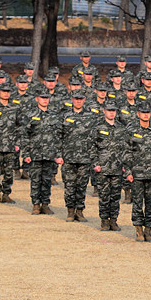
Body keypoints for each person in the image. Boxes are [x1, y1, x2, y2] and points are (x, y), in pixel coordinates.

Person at [21, 86, 63, 215]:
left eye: (47, 98)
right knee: (35, 181)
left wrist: (58, 154)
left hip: (50, 154)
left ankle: (45, 204)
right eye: (42, 98)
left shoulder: (54, 115)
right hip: (35, 154)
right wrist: (26, 154)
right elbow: (25, 135)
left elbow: (59, 136)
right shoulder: (30, 115)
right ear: (37, 99)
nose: (45, 100)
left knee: (46, 180)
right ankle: (35, 204)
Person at [125, 104, 151, 241]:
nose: (146, 115)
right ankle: (138, 230)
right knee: (137, 202)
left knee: (150, 203)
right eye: (143, 112)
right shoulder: (132, 131)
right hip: (137, 174)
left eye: (148, 112)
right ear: (138, 114)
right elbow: (127, 152)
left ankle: (148, 229)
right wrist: (128, 172)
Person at [60, 90, 96, 221]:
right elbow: (59, 136)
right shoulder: (64, 115)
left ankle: (79, 211)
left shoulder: (91, 116)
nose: (78, 101)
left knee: (82, 186)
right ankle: (70, 211)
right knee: (69, 186)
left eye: (81, 98)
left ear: (84, 99)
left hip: (85, 158)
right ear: (72, 99)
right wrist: (59, 154)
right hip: (68, 157)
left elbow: (94, 138)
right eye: (76, 99)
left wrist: (92, 155)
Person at [92, 103, 127, 231]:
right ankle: (104, 221)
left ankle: (113, 220)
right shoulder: (98, 127)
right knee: (104, 196)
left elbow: (126, 148)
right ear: (104, 111)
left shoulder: (121, 129)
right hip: (103, 168)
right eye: (109, 110)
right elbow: (92, 147)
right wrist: (96, 164)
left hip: (117, 168)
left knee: (115, 196)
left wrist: (125, 165)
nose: (111, 113)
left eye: (113, 111)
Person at [0, 82, 21, 204]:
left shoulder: (15, 108)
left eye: (8, 91)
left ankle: (6, 194)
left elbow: (19, 126)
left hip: (10, 145)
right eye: (3, 91)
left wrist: (17, 142)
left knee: (8, 172)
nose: (6, 93)